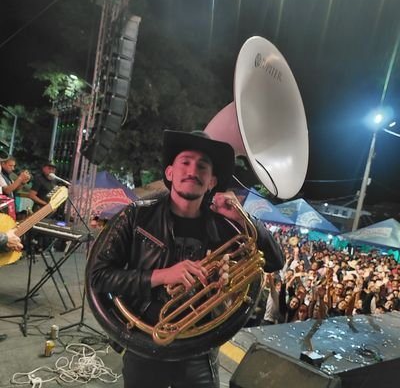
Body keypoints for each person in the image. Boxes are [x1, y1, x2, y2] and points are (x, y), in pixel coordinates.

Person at [88, 130, 284, 388]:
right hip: (145, 342)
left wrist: (242, 217)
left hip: (199, 350)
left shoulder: (226, 226)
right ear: (170, 173)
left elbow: (274, 261)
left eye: (202, 166)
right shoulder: (136, 216)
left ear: (212, 180)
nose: (193, 170)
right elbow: (98, 276)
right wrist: (162, 276)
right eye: (185, 162)